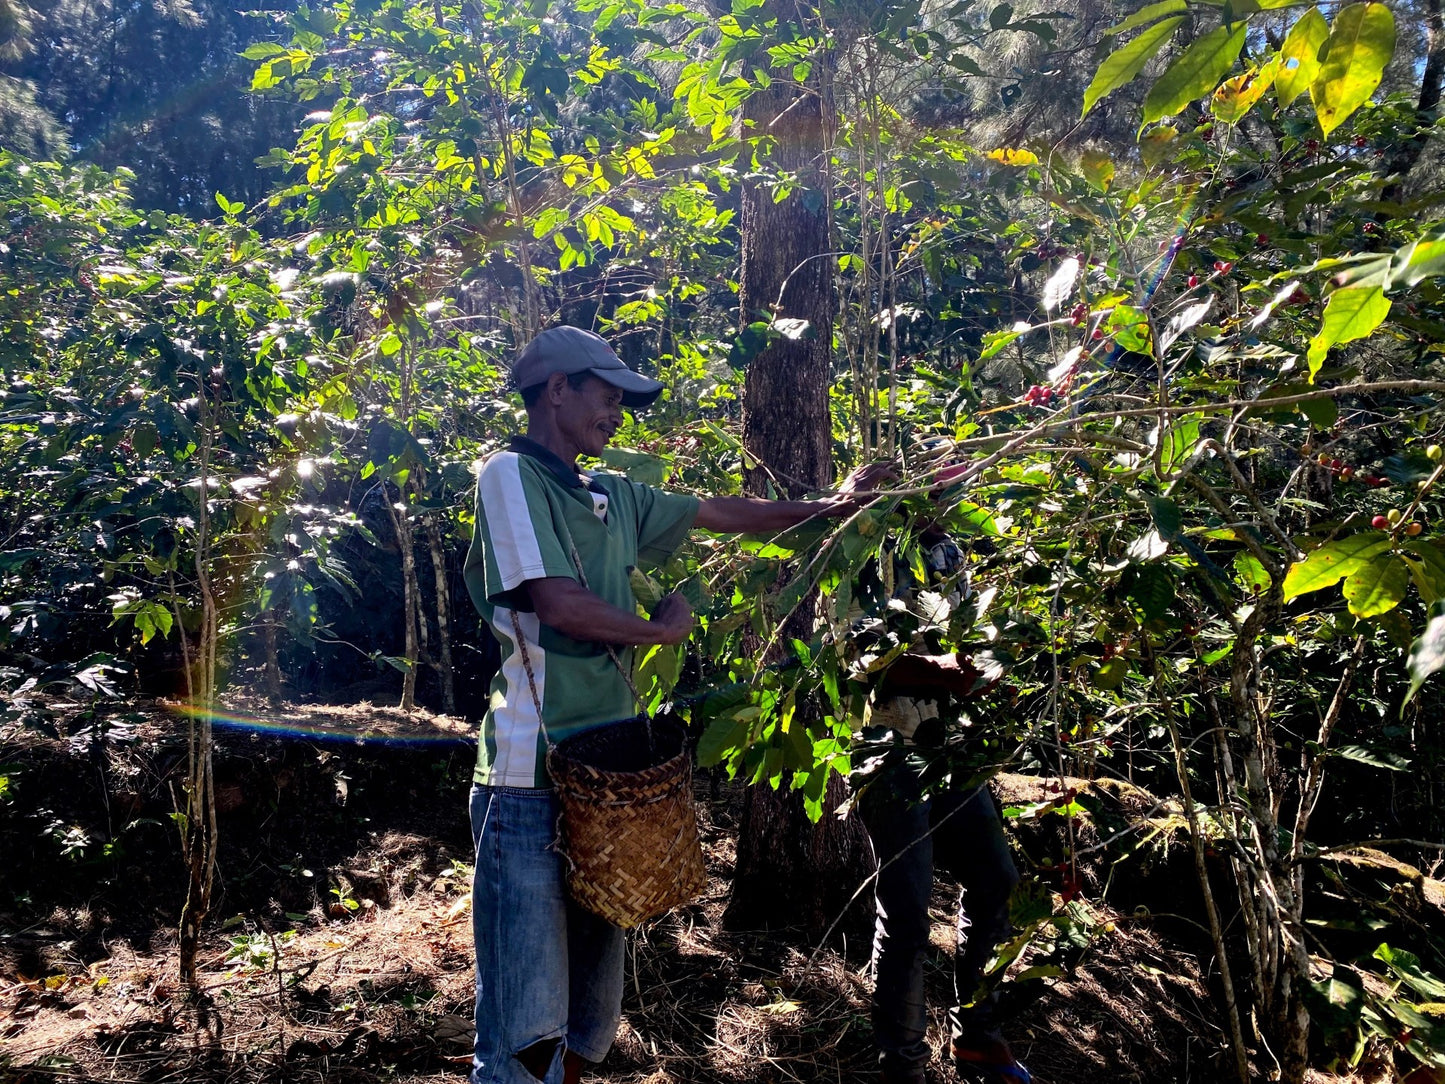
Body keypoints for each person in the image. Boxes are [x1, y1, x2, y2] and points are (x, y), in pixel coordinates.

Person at [461, 324, 893, 1084]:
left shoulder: (606, 492)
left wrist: (832, 508)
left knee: (586, 1015)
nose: (617, 415)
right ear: (556, 391)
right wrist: (656, 631)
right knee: (525, 1023)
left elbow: (721, 513)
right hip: (531, 779)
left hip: (608, 777)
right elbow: (559, 604)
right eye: (605, 396)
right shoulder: (509, 475)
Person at [850, 519, 1029, 1084]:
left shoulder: (949, 552)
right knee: (907, 907)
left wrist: (991, 665)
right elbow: (856, 661)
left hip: (951, 749)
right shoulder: (866, 553)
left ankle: (977, 1035)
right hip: (890, 750)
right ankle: (901, 1063)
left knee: (995, 875)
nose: (949, 491)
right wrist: (942, 671)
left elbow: (973, 639)